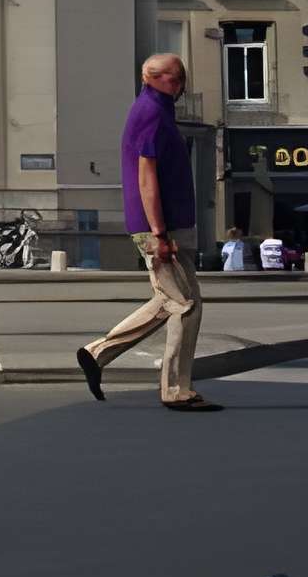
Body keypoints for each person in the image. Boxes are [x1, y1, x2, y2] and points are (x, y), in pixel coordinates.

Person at [76, 53, 217, 412]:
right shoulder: (150, 113)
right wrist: (159, 233)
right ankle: (174, 389)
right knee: (184, 306)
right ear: (157, 78)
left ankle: (98, 354)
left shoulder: (158, 109)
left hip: (167, 226)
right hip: (158, 228)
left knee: (178, 302)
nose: (181, 84)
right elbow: (145, 176)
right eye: (177, 77)